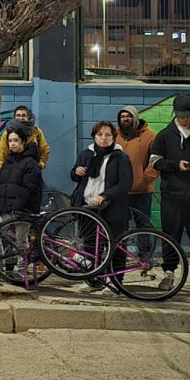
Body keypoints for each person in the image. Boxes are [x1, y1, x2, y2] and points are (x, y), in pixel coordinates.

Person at [149, 94, 190, 295]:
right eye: (180, 115)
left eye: (187, 115)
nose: (183, 119)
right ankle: (169, 273)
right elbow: (154, 161)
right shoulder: (164, 135)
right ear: (175, 113)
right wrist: (175, 165)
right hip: (171, 195)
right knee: (170, 235)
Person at [70, 120, 132, 293]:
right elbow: (75, 176)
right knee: (90, 246)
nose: (103, 138)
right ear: (94, 136)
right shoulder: (86, 154)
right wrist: (76, 172)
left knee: (115, 246)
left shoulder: (120, 157)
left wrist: (105, 195)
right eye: (100, 135)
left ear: (113, 138)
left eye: (107, 135)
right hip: (88, 208)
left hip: (112, 208)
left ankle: (116, 283)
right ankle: (93, 280)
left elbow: (125, 183)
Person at [115, 105, 158, 230]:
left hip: (142, 192)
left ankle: (144, 250)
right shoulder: (114, 136)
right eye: (122, 117)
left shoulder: (150, 136)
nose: (125, 119)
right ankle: (121, 250)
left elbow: (157, 158)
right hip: (120, 192)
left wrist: (146, 178)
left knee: (143, 227)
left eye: (128, 116)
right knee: (121, 226)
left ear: (135, 118)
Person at [0, 122, 43, 220]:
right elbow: (2, 186)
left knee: (20, 235)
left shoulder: (31, 163)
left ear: (23, 142)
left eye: (16, 140)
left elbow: (29, 189)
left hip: (22, 212)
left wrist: (16, 208)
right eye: (10, 141)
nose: (12, 143)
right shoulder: (7, 162)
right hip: (4, 210)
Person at [0, 106, 50, 179]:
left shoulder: (36, 132)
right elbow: (2, 153)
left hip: (31, 171)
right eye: (18, 115)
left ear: (28, 117)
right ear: (14, 117)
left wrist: (40, 165)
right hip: (12, 171)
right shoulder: (7, 133)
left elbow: (45, 150)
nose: (21, 118)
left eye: (24, 115)